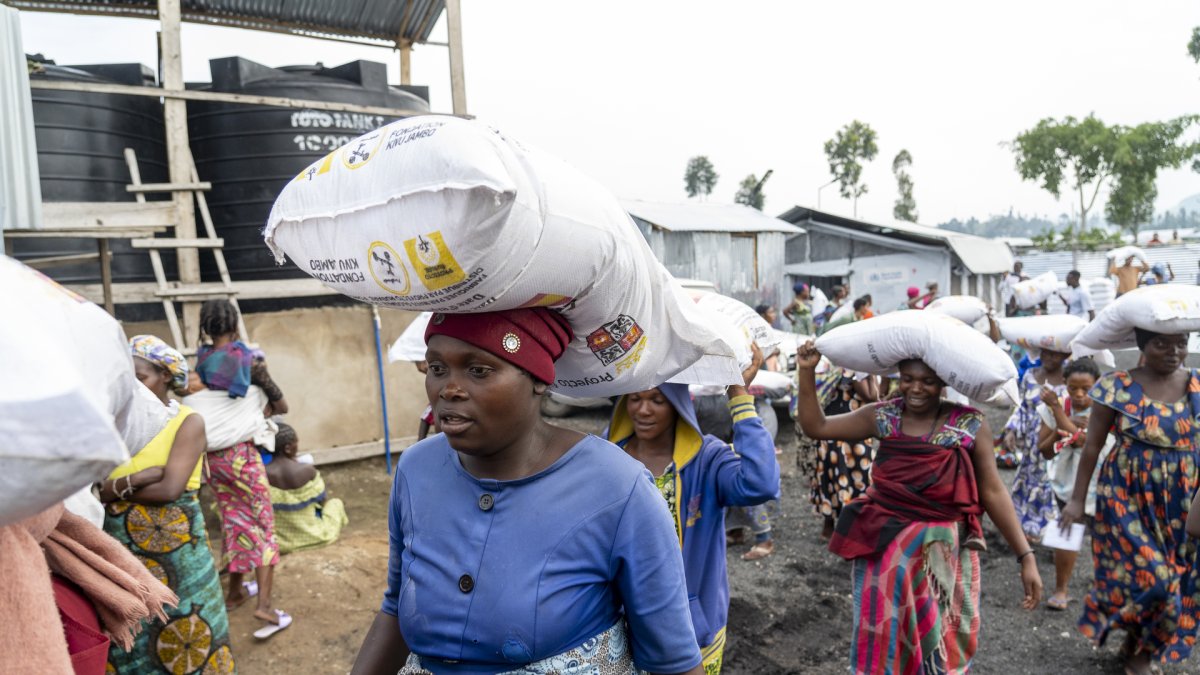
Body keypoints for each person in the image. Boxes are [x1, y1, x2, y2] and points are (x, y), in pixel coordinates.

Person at [351, 308, 704, 675]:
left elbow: (673, 659)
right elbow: (394, 609)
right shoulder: (416, 470)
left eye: (478, 370)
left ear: (538, 379)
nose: (449, 389)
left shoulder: (617, 487)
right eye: (437, 368)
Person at [794, 341, 1042, 673]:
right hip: (885, 553)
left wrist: (1025, 556)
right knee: (882, 633)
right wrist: (806, 371)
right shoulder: (884, 416)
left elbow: (994, 491)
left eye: (927, 380)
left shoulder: (969, 424)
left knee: (942, 640)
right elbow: (818, 427)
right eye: (908, 378)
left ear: (943, 383)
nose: (916, 388)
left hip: (942, 558)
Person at [608, 343, 779, 669]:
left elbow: (761, 483)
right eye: (635, 398)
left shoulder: (707, 459)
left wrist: (739, 399)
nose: (643, 410)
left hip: (691, 626)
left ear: (678, 405)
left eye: (657, 400)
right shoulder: (610, 456)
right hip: (620, 624)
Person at [1060, 329, 1200, 675]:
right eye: (1161, 343)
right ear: (1142, 344)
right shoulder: (1116, 386)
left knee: (1176, 576)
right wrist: (1077, 501)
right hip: (1124, 493)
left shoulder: (1197, 384)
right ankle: (1143, 652)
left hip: (1182, 496)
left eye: (1181, 343)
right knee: (1149, 575)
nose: (1173, 351)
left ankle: (1141, 640)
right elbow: (1092, 445)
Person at [96, 335, 234, 672]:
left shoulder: (187, 421)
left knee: (191, 634)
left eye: (141, 378)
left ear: (167, 377)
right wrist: (139, 479)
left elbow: (171, 489)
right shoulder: (111, 425)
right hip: (119, 556)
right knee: (130, 640)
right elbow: (90, 492)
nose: (133, 387)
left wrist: (114, 489)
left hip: (180, 557)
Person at [186, 300, 291, 639]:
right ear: (234, 325)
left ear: (205, 326)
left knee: (234, 522)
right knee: (262, 524)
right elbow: (281, 406)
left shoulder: (199, 367)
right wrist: (264, 384)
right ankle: (264, 604)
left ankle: (234, 593)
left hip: (213, 461)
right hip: (242, 458)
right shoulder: (249, 363)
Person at [1035, 357, 1110, 612]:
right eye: (1073, 388)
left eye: (1086, 389)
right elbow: (1044, 450)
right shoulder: (1055, 407)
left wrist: (1058, 412)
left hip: (1100, 480)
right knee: (1068, 529)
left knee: (1103, 536)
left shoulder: (1104, 409)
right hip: (1066, 482)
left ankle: (1104, 591)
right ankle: (1061, 589)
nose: (1079, 395)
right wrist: (1059, 427)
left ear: (1097, 385)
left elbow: (1081, 442)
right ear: (1064, 384)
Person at [1005, 347, 1069, 542]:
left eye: (1055, 353)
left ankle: (1053, 534)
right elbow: (1021, 406)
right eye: (1045, 353)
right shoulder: (1030, 376)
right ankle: (1027, 529)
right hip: (1032, 443)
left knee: (1051, 484)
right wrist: (1011, 429)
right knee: (1029, 480)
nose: (1049, 358)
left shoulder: (1069, 382)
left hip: (1055, 441)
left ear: (1065, 355)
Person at [812, 370, 879, 539]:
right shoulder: (854, 368)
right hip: (851, 432)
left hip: (832, 429)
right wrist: (870, 373)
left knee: (831, 474)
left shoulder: (838, 366)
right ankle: (846, 526)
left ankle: (829, 526)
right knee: (854, 477)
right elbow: (872, 395)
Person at [266, 423, 348, 555]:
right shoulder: (306, 470)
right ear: (287, 448)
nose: (297, 446)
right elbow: (322, 501)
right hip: (314, 535)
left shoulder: (262, 473)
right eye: (296, 443)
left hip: (281, 542)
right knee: (336, 503)